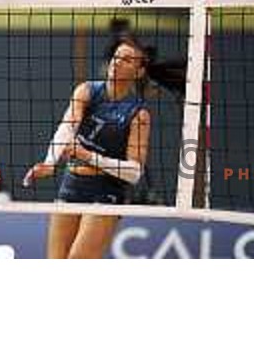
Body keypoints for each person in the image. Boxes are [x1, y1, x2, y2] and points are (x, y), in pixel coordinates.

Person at [24, 30, 185, 259]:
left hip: (106, 193)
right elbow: (68, 126)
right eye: (116, 56)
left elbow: (134, 173)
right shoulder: (87, 91)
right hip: (71, 184)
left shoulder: (138, 114)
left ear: (139, 72)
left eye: (127, 60)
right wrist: (50, 162)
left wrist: (89, 156)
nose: (117, 62)